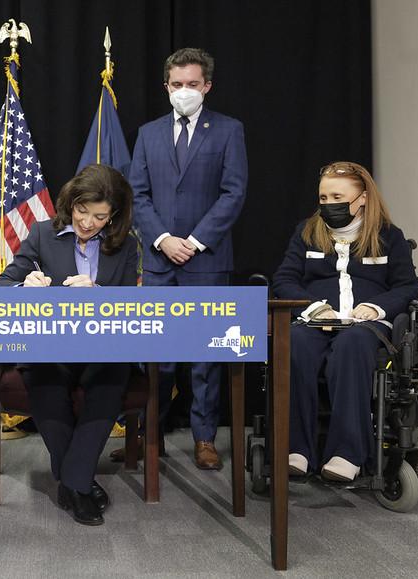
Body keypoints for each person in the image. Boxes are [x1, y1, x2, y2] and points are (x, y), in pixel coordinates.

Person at [124, 47, 248, 470]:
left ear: (206, 86)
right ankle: (145, 437)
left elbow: (234, 193)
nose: (184, 92)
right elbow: (136, 194)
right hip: (159, 263)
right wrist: (161, 239)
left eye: (192, 84)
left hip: (206, 262)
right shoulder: (148, 133)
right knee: (154, 356)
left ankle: (205, 439)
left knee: (205, 357)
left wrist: (193, 241)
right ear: (166, 87)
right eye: (176, 85)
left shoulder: (229, 131)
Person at [0, 164, 138, 525]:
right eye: (82, 212)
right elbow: (1, 288)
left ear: (114, 216)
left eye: (100, 216)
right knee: (44, 376)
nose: (88, 223)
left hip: (103, 351)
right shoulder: (43, 234)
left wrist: (99, 294)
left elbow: (134, 307)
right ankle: (81, 483)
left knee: (111, 378)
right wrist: (25, 288)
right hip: (50, 348)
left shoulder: (127, 247)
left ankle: (72, 481)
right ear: (71, 204)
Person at [272, 161, 418, 481]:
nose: (329, 205)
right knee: (295, 343)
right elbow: (284, 279)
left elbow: (408, 286)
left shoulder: (388, 236)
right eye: (323, 198)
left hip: (365, 325)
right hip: (316, 320)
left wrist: (375, 307)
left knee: (351, 343)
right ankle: (296, 450)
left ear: (363, 198)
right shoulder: (306, 232)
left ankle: (347, 452)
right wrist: (313, 308)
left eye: (337, 197)